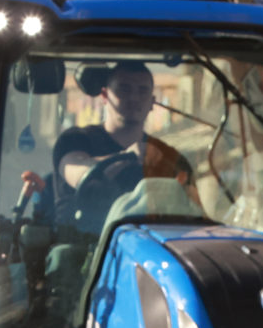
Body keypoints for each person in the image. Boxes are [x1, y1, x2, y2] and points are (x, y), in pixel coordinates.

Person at [52, 61, 189, 228]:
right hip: (81, 242)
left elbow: (191, 209)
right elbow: (78, 173)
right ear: (104, 96)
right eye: (124, 89)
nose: (134, 98)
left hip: (148, 242)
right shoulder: (75, 140)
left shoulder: (167, 156)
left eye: (142, 91)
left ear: (152, 101)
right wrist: (126, 157)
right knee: (63, 255)